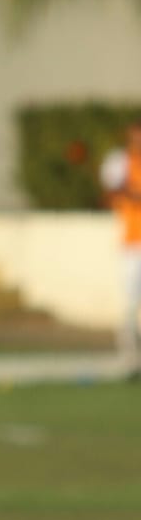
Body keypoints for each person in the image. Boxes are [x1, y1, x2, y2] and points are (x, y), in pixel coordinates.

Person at [99, 118, 141, 375]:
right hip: (132, 243)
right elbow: (111, 193)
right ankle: (129, 355)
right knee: (130, 301)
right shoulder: (119, 162)